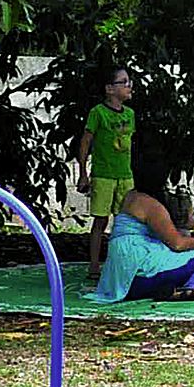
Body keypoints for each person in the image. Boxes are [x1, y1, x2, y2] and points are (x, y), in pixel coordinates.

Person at [90, 180, 194, 302]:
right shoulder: (151, 204)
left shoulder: (130, 196)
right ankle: (191, 289)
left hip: (121, 280)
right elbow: (177, 244)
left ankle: (173, 290)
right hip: (140, 273)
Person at [76, 66, 136, 281]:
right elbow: (86, 142)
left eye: (129, 81)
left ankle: (121, 262)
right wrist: (83, 173)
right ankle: (94, 264)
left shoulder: (130, 114)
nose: (129, 86)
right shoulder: (97, 113)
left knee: (126, 221)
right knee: (100, 221)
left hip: (125, 175)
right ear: (110, 89)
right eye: (124, 82)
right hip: (103, 175)